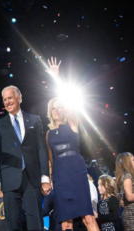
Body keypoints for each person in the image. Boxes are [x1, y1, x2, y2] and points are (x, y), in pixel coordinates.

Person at [46, 56, 99, 231]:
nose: (56, 110)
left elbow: (68, 100)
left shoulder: (73, 123)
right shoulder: (49, 134)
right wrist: (50, 178)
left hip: (76, 172)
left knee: (88, 218)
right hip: (60, 177)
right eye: (53, 108)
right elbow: (51, 160)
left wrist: (56, 77)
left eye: (59, 107)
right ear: (50, 112)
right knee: (66, 222)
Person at [0, 85, 51, 230]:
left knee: (35, 220)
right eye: (4, 100)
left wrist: (45, 178)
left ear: (19, 98)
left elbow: (42, 150)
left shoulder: (35, 120)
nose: (7, 102)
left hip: (32, 177)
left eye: (10, 98)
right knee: (12, 222)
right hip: (9, 179)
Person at [115, 152, 134, 230]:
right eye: (133, 160)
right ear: (127, 162)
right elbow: (129, 197)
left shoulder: (125, 175)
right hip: (132, 216)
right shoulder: (127, 176)